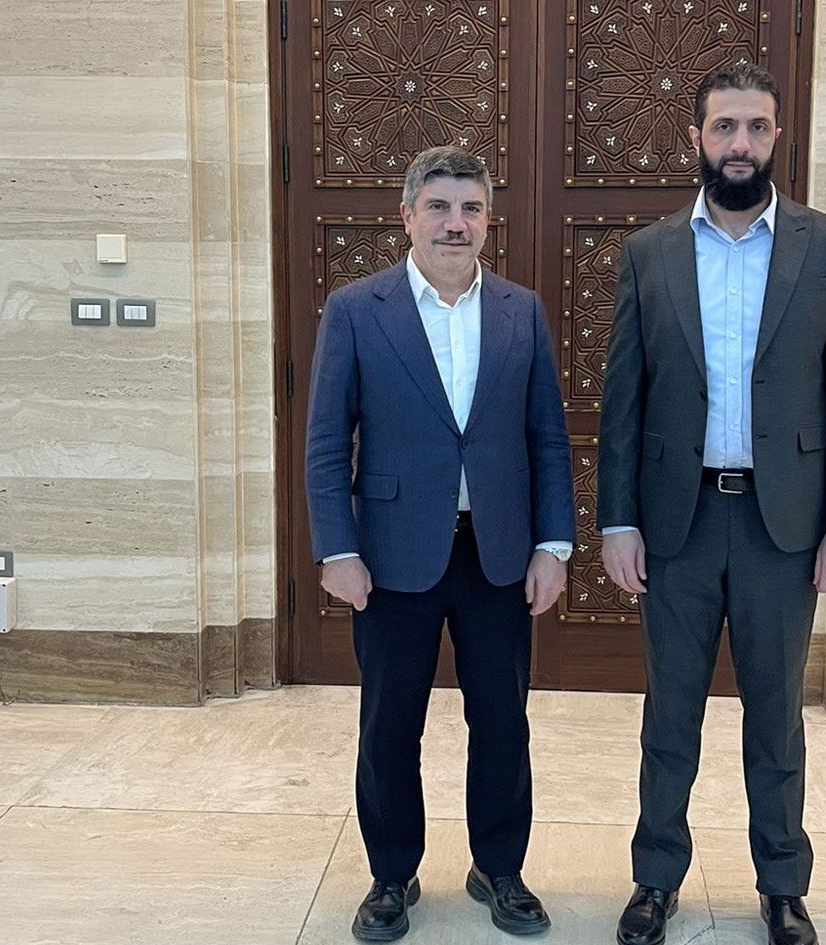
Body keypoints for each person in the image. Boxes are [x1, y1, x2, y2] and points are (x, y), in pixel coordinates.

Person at [598, 63, 826, 945]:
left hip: (780, 527)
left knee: (776, 717)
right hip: (676, 524)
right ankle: (655, 879)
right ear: (697, 138)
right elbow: (623, 402)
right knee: (669, 714)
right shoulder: (648, 253)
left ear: (777, 135)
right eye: (724, 127)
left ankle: (783, 884)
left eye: (756, 126)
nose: (741, 143)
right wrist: (617, 520)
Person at [305, 145, 576, 942]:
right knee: (391, 724)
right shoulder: (357, 309)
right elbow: (327, 441)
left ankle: (500, 867)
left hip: (497, 553)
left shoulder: (522, 310)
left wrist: (554, 543)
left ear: (488, 221)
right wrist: (336, 549)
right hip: (391, 556)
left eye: (470, 209)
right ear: (407, 216)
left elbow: (547, 438)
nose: (455, 223)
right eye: (439, 207)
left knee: (503, 722)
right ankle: (391, 874)